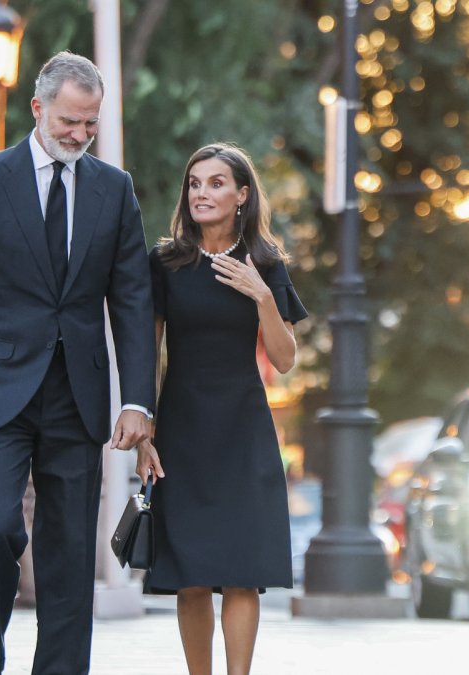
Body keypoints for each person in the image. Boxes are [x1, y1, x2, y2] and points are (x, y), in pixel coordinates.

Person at [0, 51, 156, 674]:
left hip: (78, 395)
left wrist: (136, 399)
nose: (79, 135)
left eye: (90, 124)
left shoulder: (114, 189)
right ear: (38, 108)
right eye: (70, 121)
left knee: (70, 550)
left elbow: (131, 301)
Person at [137, 143, 306, 675]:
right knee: (190, 574)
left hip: (244, 431)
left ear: (241, 195)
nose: (202, 193)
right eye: (194, 184)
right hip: (182, 431)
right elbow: (149, 351)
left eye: (215, 183)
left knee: (240, 570)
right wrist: (144, 432)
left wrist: (262, 296)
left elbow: (284, 360)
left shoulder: (266, 263)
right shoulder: (165, 263)